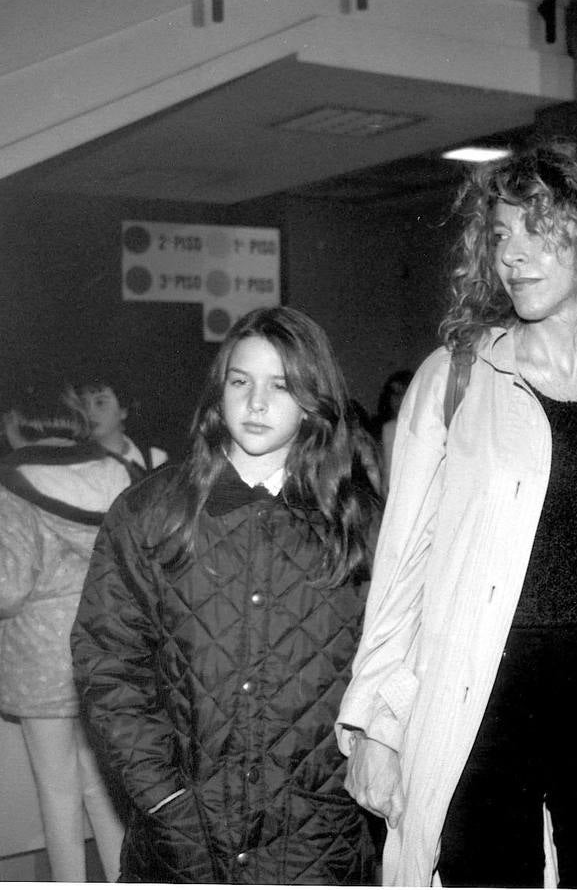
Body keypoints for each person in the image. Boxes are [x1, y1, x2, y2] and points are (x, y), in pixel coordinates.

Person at [337, 138, 577, 887]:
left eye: (541, 233)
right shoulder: (459, 377)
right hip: (482, 689)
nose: (515, 256)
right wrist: (378, 722)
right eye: (503, 235)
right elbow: (402, 566)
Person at [71, 306, 382, 883]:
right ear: (220, 392)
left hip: (314, 845)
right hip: (182, 842)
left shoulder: (359, 525)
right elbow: (110, 666)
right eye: (241, 382)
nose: (256, 403)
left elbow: (386, 674)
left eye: (280, 385)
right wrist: (164, 801)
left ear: (314, 397)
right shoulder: (151, 511)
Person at [0, 385, 131, 882]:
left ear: (20, 422)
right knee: (100, 784)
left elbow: (8, 588)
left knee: (57, 790)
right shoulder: (113, 472)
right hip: (107, 644)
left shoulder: (12, 482)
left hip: (41, 660)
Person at [76, 378, 169, 473]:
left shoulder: (155, 459)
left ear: (123, 410)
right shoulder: (77, 467)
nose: (89, 412)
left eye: (100, 403)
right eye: (84, 404)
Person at [371, 369, 414, 479]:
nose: (398, 399)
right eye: (394, 393)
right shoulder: (376, 428)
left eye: (403, 393)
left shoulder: (420, 430)